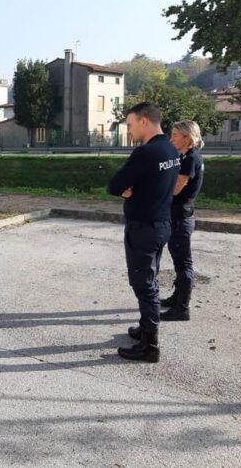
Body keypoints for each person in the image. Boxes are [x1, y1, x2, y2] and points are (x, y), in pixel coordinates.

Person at [107, 102, 180, 363]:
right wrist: (135, 188)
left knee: (144, 285)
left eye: (130, 124)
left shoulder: (145, 153)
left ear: (144, 122)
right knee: (150, 277)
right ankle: (144, 327)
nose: (129, 129)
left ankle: (150, 345)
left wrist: (129, 189)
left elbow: (115, 185)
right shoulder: (171, 149)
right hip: (162, 225)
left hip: (143, 228)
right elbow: (159, 183)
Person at [160, 120, 204, 322]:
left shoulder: (190, 158)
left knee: (184, 263)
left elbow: (176, 188)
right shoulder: (186, 156)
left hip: (180, 216)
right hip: (179, 215)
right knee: (179, 262)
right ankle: (177, 298)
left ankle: (182, 309)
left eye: (175, 135)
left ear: (187, 137)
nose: (171, 139)